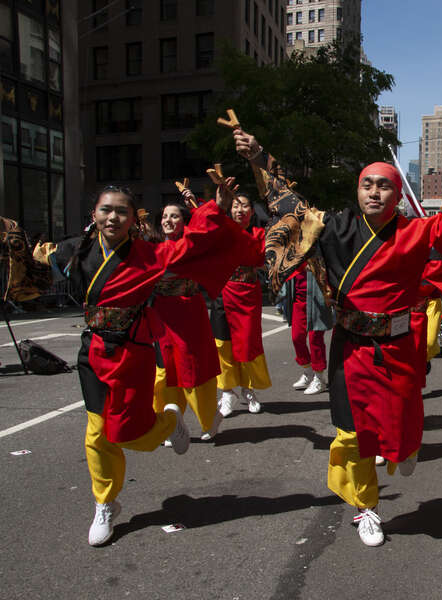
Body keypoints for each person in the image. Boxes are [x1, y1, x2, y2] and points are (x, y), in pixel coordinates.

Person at [238, 127, 442, 547]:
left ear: (397, 195)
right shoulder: (333, 229)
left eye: (384, 186)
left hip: (399, 348)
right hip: (350, 348)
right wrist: (258, 157)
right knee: (352, 434)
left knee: (402, 425)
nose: (374, 192)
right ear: (358, 192)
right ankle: (367, 507)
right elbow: (290, 204)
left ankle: (405, 447)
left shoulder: (416, 232)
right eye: (367, 185)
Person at [35, 181, 255, 546]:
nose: (113, 217)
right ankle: (105, 503)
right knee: (97, 431)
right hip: (93, 352)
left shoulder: (148, 254)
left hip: (133, 352)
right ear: (94, 214)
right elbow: (43, 260)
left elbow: (193, 243)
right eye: (106, 209)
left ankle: (169, 421)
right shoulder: (77, 249)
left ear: (133, 219)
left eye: (121, 211)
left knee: (129, 433)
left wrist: (215, 207)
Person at [152, 196, 224, 442]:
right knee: (166, 372)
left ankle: (209, 418)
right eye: (164, 216)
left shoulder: (192, 246)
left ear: (184, 221)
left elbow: (211, 232)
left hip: (188, 313)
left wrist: (215, 205)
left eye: (174, 216)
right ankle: (170, 423)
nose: (168, 220)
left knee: (192, 370)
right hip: (162, 315)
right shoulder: (153, 247)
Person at [211, 193, 272, 416]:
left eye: (244, 206)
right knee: (222, 344)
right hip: (223, 292)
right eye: (235, 205)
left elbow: (266, 258)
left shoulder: (259, 234)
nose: (240, 210)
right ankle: (227, 391)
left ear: (251, 211)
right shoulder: (221, 232)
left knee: (247, 345)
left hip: (248, 295)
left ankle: (248, 389)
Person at [290, 261, 332, 394]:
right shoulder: (294, 245)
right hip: (299, 298)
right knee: (297, 337)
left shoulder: (319, 243)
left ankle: (319, 378)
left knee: (316, 338)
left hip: (318, 297)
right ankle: (308, 372)